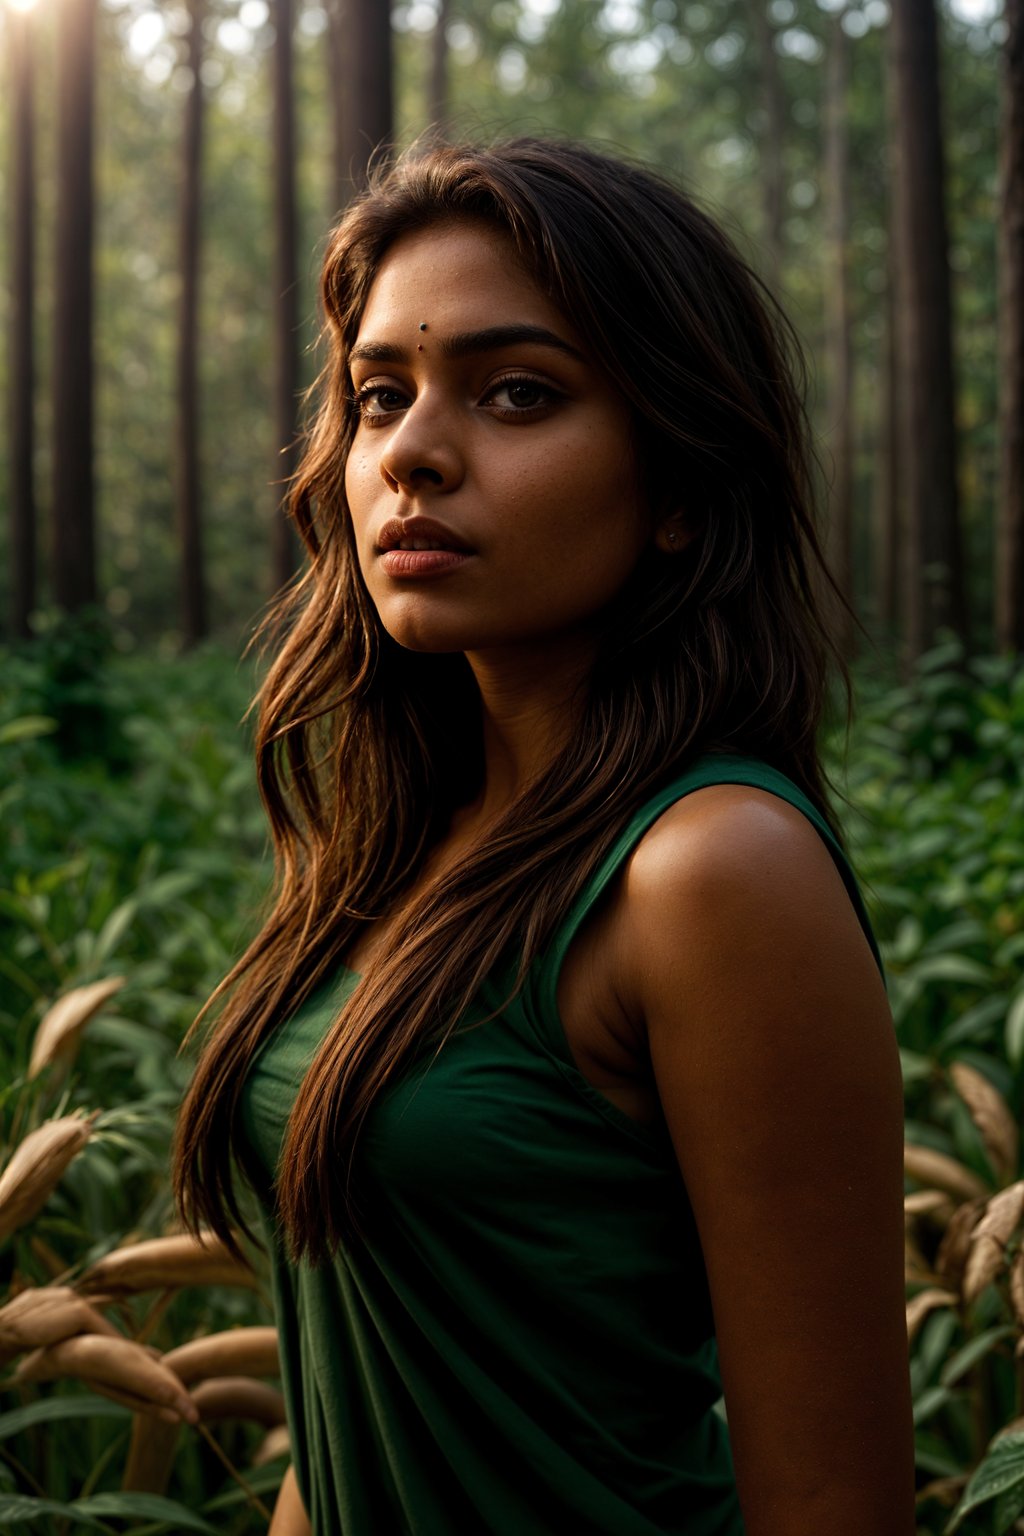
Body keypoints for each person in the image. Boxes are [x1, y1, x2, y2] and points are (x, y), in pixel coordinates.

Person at [172, 138, 914, 1535]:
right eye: (379, 396)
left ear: (683, 487)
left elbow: (832, 1500)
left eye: (518, 394)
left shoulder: (710, 871)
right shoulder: (401, 846)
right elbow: (360, 1394)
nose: (413, 454)